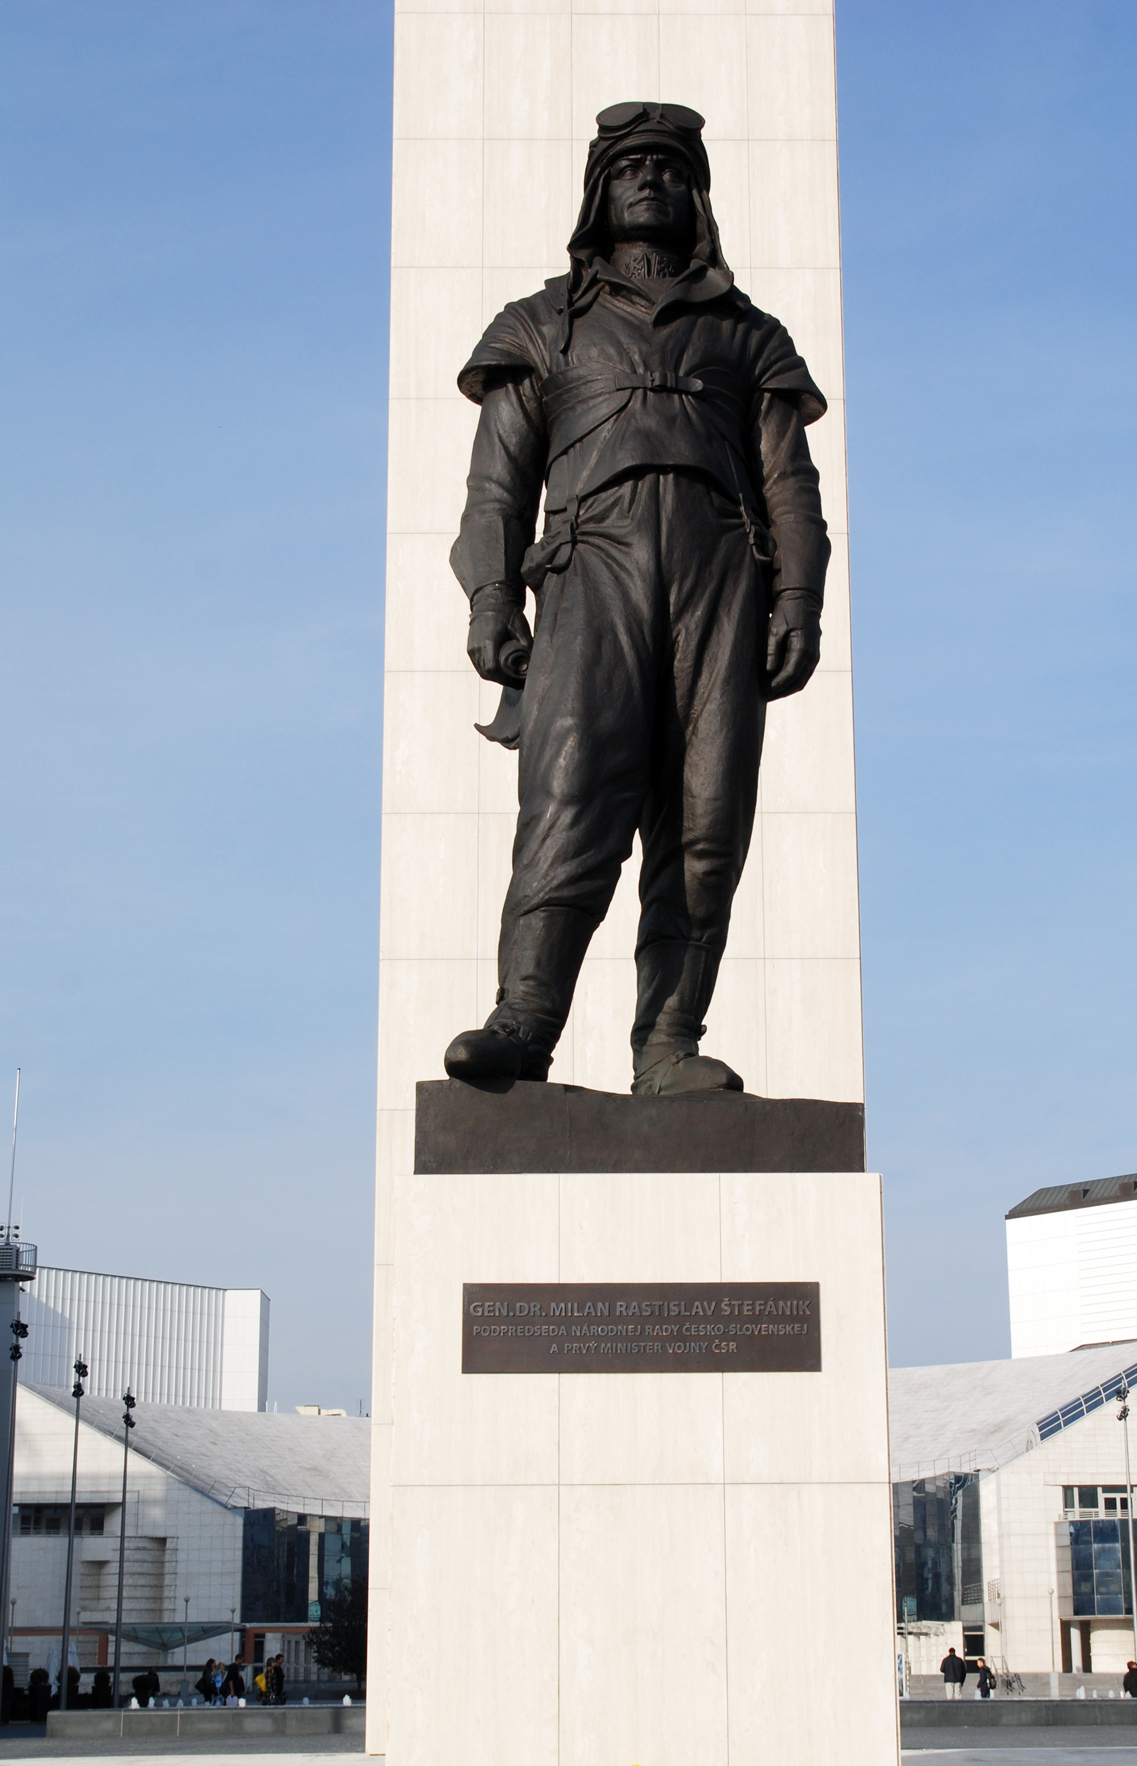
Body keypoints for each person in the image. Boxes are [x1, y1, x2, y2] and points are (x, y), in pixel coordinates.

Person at [443, 102, 830, 1095]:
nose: (648, 182)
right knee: (571, 798)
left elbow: (790, 482)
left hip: (718, 580)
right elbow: (495, 489)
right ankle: (524, 1021)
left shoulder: (746, 336)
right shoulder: (542, 326)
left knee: (705, 823)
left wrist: (797, 602)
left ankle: (667, 1042)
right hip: (591, 572)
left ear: (694, 191)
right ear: (598, 193)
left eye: (667, 167)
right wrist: (492, 599)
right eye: (628, 169)